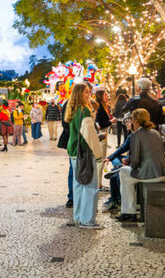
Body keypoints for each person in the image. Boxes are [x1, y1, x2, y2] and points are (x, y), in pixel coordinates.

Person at [116, 109, 165, 222]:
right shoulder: (156, 132)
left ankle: (129, 212)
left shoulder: (136, 135)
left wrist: (130, 165)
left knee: (123, 173)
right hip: (163, 172)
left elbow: (135, 160)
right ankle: (128, 211)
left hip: (150, 175)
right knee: (127, 177)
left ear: (135, 120)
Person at [65, 83, 104, 229]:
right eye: (86, 92)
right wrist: (99, 155)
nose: (89, 94)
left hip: (74, 151)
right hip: (85, 152)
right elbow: (90, 136)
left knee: (78, 185)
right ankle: (87, 220)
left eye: (89, 92)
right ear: (80, 94)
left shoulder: (73, 110)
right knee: (90, 186)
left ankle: (79, 216)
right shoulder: (84, 111)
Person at [95, 90, 115, 190]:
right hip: (101, 135)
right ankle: (98, 185)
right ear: (100, 96)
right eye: (105, 95)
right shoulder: (99, 108)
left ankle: (99, 183)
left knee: (101, 159)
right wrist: (111, 121)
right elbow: (100, 124)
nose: (107, 96)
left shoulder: (104, 107)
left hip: (104, 135)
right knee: (101, 160)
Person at [57, 101, 72, 208]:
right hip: (74, 142)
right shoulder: (70, 104)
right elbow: (65, 123)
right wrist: (73, 136)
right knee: (73, 170)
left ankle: (74, 196)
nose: (89, 94)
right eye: (87, 92)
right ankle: (72, 197)